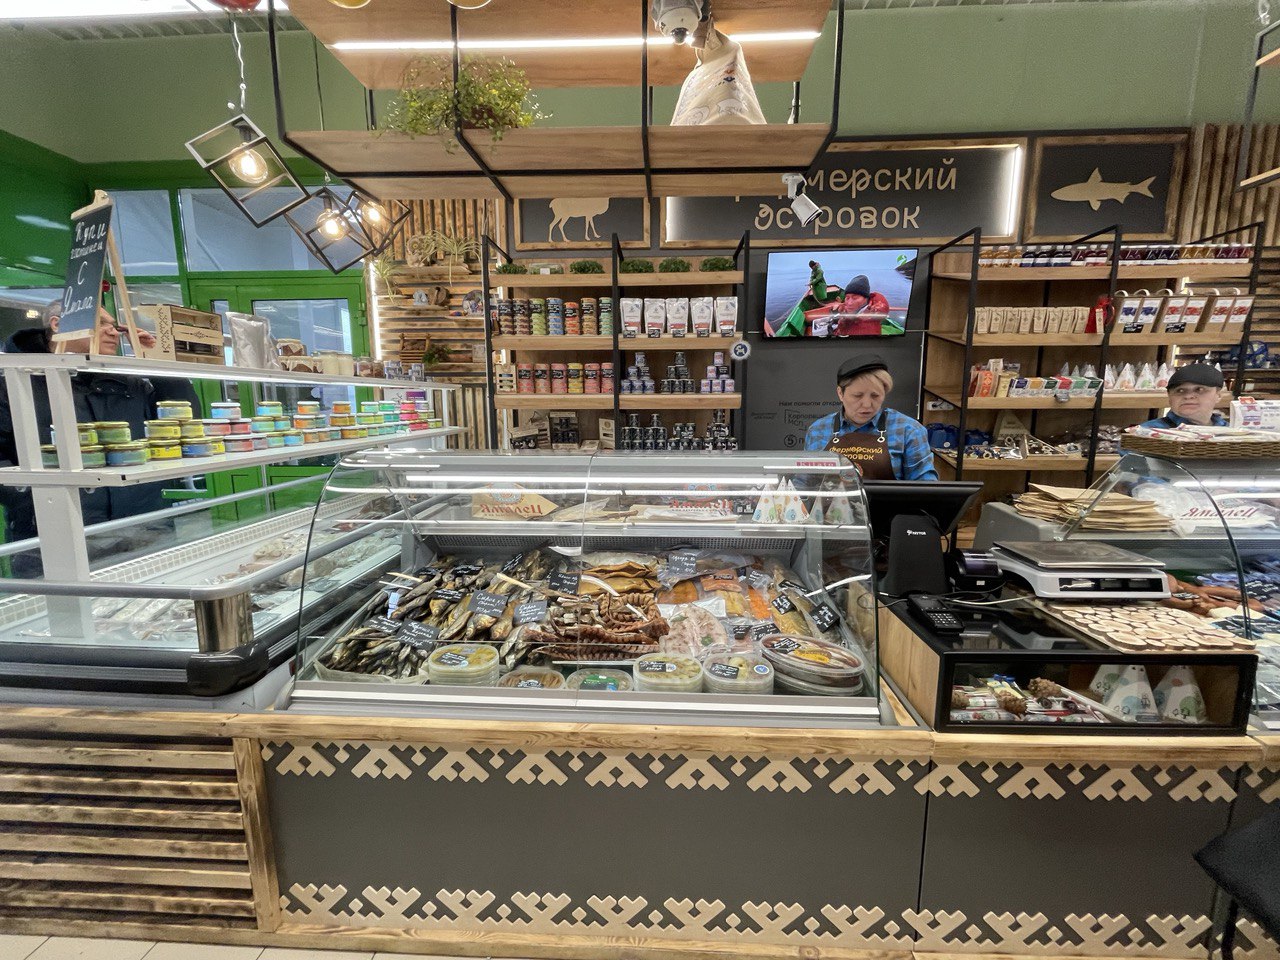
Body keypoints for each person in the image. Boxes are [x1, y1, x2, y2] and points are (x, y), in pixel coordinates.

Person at [0, 303, 199, 574]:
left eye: (114, 325)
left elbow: (185, 423)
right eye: (101, 323)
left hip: (143, 527)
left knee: (157, 597)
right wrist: (33, 500)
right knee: (63, 602)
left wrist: (154, 361)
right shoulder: (14, 380)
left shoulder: (128, 380)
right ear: (58, 325)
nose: (113, 332)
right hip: (55, 534)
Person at [804, 354, 938, 481]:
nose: (867, 404)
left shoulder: (909, 431)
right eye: (857, 396)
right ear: (840, 393)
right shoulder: (818, 430)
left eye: (875, 396)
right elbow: (805, 482)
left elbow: (925, 486)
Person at [1139, 362, 1228, 429]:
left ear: (1218, 395)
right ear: (1169, 397)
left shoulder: (1231, 432)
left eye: (1199, 389)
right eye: (1180, 391)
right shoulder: (1147, 433)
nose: (1188, 396)